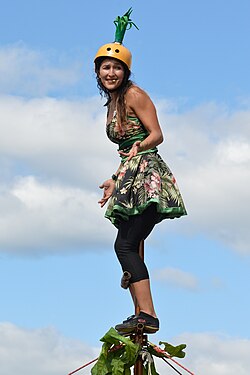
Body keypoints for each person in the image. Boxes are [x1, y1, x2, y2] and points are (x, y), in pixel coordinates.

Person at [95, 9, 187, 334]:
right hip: (130, 175)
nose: (110, 72)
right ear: (98, 71)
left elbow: (156, 134)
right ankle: (140, 312)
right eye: (105, 67)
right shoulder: (113, 102)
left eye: (116, 68)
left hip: (149, 177)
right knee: (127, 245)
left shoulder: (134, 94)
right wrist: (114, 178)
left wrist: (139, 148)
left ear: (125, 71)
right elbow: (126, 150)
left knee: (125, 245)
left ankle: (147, 314)